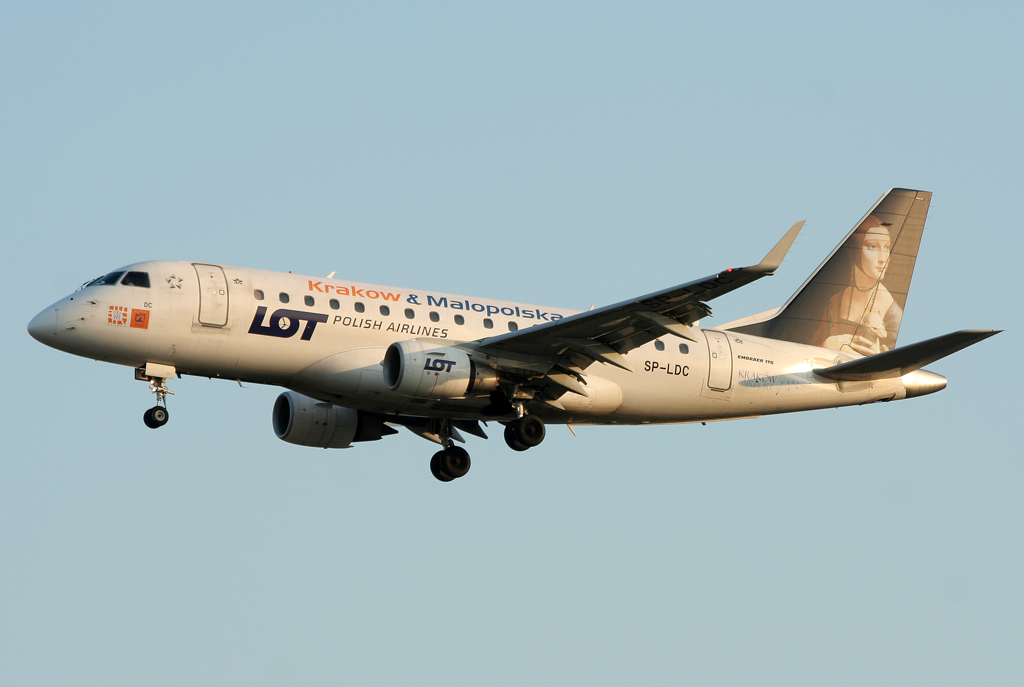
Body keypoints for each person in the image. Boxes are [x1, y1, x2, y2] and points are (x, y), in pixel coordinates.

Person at [812, 215, 902, 356]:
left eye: (886, 248)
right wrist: (827, 344)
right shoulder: (834, 301)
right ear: (855, 249)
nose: (883, 259)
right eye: (872, 246)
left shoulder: (893, 315)